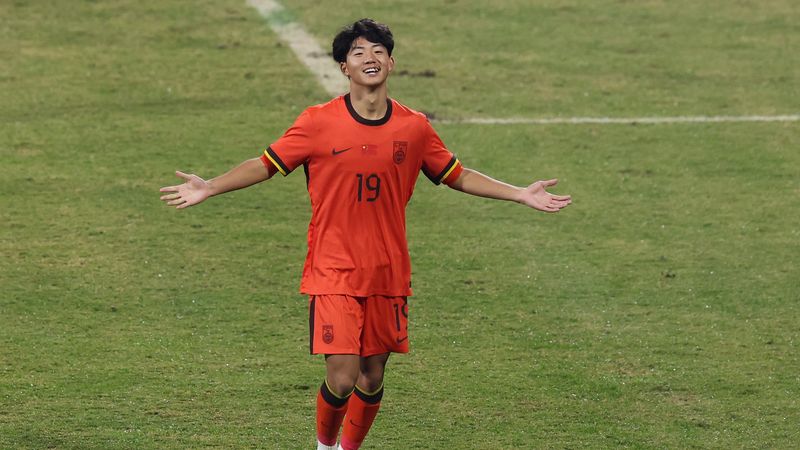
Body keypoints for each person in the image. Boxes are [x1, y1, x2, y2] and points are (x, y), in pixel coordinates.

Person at [160, 18, 571, 450]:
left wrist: (519, 194)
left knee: (372, 377)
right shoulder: (318, 123)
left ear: (390, 63)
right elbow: (265, 163)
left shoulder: (413, 128)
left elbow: (456, 174)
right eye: (358, 52)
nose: (369, 58)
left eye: (377, 51)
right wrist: (212, 186)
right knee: (342, 376)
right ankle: (324, 446)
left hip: (387, 272)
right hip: (333, 268)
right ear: (344, 68)